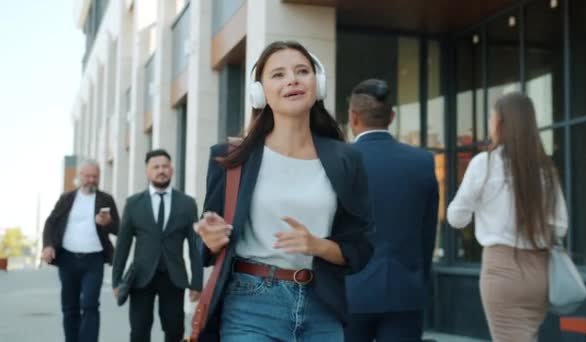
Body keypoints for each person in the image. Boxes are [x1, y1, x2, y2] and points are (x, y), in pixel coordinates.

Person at [193, 40, 374, 341]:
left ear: (318, 85)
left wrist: (317, 245)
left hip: (322, 305)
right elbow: (206, 247)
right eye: (278, 74)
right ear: (260, 93)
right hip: (250, 303)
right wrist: (211, 239)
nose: (292, 79)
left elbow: (361, 247)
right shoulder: (231, 157)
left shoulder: (347, 159)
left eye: (302, 71)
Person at [447, 92, 568, 342]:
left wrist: (483, 209)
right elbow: (560, 226)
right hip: (539, 271)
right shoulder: (545, 169)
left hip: (502, 271)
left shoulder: (485, 163)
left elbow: (456, 217)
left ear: (500, 122)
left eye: (492, 117)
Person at [344, 79, 439, 342]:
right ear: (392, 117)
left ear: (353, 117)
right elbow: (427, 234)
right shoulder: (422, 161)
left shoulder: (340, 161)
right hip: (405, 292)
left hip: (350, 294)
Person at [112, 149, 203, 342]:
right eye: (156, 167)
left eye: (165, 166)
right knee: (139, 331)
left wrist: (197, 282)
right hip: (141, 277)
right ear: (147, 171)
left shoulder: (187, 204)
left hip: (174, 277)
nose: (161, 170)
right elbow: (123, 245)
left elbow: (195, 245)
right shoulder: (133, 203)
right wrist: (116, 280)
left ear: (172, 170)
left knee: (174, 330)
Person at [41, 159, 120, 342]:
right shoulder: (67, 198)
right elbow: (50, 222)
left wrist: (108, 223)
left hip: (94, 260)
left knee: (90, 304)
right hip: (67, 259)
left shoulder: (105, 199)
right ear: (80, 176)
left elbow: (119, 229)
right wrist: (48, 245)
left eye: (95, 176)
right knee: (70, 307)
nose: (91, 180)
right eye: (88, 176)